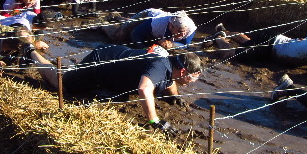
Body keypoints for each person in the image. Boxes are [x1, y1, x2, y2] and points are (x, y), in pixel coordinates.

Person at [28, 45, 202, 128]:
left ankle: (102, 87)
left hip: (114, 61)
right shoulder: (160, 66)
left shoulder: (170, 66)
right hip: (100, 63)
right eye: (193, 77)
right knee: (61, 84)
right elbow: (144, 89)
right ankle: (31, 52)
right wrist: (154, 120)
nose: (194, 81)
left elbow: (170, 82)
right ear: (183, 70)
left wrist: (174, 97)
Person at [215, 25, 307, 77]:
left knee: (248, 44)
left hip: (274, 44)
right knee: (233, 55)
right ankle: (219, 38)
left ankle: (226, 31)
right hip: (271, 44)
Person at [102, 9, 197, 49]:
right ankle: (103, 24)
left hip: (156, 29)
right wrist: (143, 49)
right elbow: (135, 34)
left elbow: (185, 45)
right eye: (180, 32)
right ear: (170, 25)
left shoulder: (190, 28)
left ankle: (121, 19)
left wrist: (171, 44)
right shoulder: (157, 24)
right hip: (148, 16)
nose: (183, 35)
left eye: (184, 31)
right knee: (118, 36)